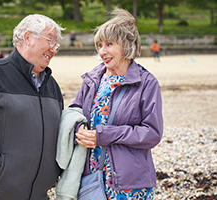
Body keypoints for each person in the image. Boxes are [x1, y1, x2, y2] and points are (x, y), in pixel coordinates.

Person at [0, 14, 65, 200]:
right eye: (50, 41)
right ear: (27, 38)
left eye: (56, 45)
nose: (53, 49)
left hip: (38, 195)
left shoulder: (52, 86)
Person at [70, 8, 163, 199]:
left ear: (126, 45)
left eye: (109, 44)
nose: (102, 51)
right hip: (92, 178)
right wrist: (79, 128)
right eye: (99, 45)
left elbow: (152, 133)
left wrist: (104, 135)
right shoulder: (92, 79)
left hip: (130, 184)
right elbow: (74, 111)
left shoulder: (147, 82)